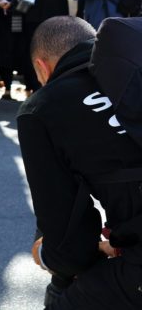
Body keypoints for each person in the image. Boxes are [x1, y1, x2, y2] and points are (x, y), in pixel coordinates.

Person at [18, 16, 142, 309]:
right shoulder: (134, 74)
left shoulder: (44, 107)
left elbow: (70, 247)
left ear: (42, 67)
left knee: (66, 293)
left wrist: (45, 255)